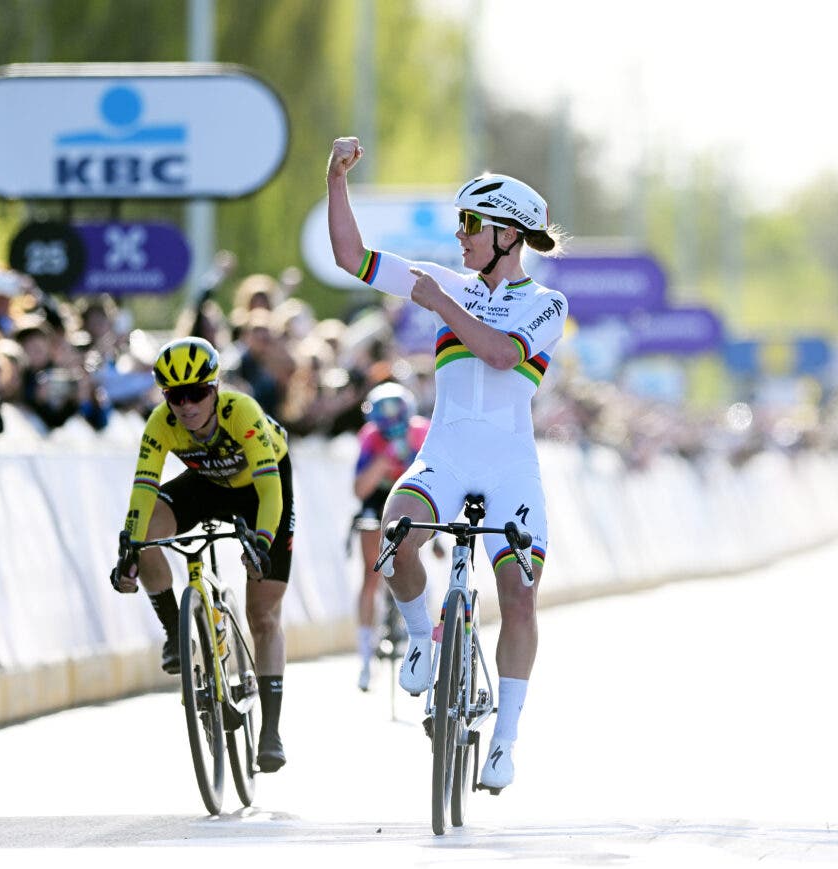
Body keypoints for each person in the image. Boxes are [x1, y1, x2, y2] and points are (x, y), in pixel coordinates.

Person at [327, 136, 568, 790]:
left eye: (470, 223)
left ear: (507, 236)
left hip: (510, 468)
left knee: (519, 598)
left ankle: (505, 740)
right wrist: (336, 180)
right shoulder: (449, 284)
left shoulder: (546, 304)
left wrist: (438, 302)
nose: (459, 235)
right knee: (395, 531)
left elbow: (500, 354)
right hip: (446, 453)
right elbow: (352, 257)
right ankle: (419, 638)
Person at [111, 337, 295, 772]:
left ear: (215, 389)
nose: (187, 406)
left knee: (263, 614)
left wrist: (262, 543)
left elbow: (271, 490)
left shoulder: (241, 411)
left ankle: (270, 731)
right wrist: (129, 551)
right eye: (175, 396)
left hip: (259, 491)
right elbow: (143, 489)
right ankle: (175, 631)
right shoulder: (160, 423)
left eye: (196, 393)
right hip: (207, 485)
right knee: (144, 535)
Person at [351, 381, 431, 691]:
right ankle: (365, 658)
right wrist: (383, 460)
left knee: (414, 556)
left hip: (412, 497)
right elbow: (360, 490)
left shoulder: (421, 432)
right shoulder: (371, 437)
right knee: (370, 574)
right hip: (378, 499)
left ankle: (419, 634)